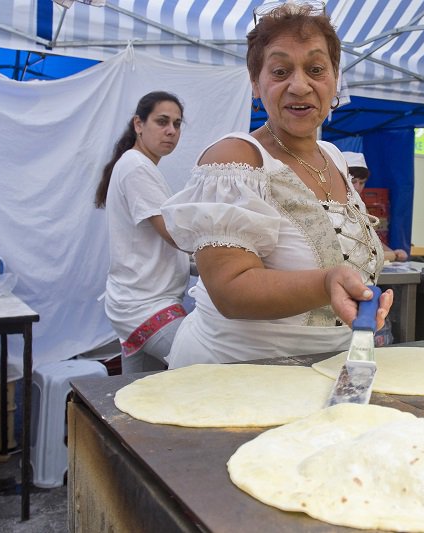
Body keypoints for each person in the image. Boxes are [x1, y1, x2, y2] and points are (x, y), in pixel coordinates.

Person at [160, 3, 393, 367]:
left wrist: (362, 297)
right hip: (233, 375)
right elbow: (230, 291)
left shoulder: (333, 157)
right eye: (280, 71)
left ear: (335, 78)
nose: (300, 86)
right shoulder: (236, 158)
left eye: (316, 69)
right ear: (256, 83)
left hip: (325, 369)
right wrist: (325, 283)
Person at [94, 91, 190, 374]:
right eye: (162, 121)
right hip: (146, 306)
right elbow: (174, 234)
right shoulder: (136, 166)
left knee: (140, 392)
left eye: (177, 124)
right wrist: (224, 244)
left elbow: (164, 242)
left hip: (136, 303)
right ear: (139, 124)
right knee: (209, 363)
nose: (171, 131)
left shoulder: (139, 165)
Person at [343, 151, 408, 263]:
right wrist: (391, 255)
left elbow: (371, 237)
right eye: (353, 182)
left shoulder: (360, 207)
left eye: (362, 183)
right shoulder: (334, 205)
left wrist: (394, 253)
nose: (357, 187)